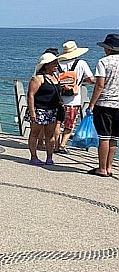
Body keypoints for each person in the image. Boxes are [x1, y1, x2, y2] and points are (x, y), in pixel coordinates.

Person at [85, 34, 119, 177]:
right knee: (114, 138)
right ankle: (109, 167)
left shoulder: (103, 62)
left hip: (105, 103)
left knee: (104, 137)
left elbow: (99, 85)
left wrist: (91, 104)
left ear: (108, 49)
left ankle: (101, 168)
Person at [55, 41, 94, 152]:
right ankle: (62, 145)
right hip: (74, 100)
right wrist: (80, 82)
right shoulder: (81, 63)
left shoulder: (58, 64)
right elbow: (91, 79)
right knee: (69, 125)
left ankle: (56, 145)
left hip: (59, 99)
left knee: (57, 123)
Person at [26, 53, 62, 165]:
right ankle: (33, 156)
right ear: (46, 65)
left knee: (50, 135)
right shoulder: (38, 78)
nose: (56, 65)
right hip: (39, 109)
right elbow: (30, 95)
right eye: (53, 63)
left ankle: (49, 157)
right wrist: (32, 112)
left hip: (52, 110)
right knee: (35, 134)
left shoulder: (56, 77)